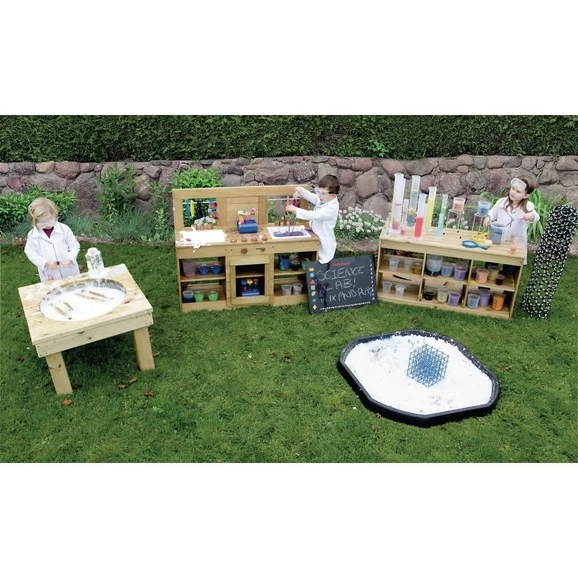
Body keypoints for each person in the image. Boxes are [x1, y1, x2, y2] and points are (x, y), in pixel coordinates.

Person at [286, 175, 340, 264]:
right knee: (311, 258)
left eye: (323, 193)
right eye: (318, 192)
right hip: (315, 234)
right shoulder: (324, 199)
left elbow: (314, 215)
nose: (319, 195)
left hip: (324, 240)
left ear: (333, 195)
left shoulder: (331, 208)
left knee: (321, 262)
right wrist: (300, 190)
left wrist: (296, 210)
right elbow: (312, 197)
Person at [483, 176, 539, 261]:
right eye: (513, 188)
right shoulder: (502, 202)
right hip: (499, 237)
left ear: (525, 195)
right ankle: (491, 268)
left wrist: (531, 216)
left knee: (512, 263)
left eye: (518, 191)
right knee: (493, 259)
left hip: (515, 241)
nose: (513, 192)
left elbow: (536, 217)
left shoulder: (528, 206)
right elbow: (492, 212)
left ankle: (510, 269)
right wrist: (488, 217)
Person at [24, 198, 81, 282]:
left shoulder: (64, 229)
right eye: (43, 222)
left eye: (51, 220)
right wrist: (46, 263)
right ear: (35, 221)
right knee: (54, 289)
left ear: (55, 215)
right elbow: (31, 253)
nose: (48, 225)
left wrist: (69, 259)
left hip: (69, 270)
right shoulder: (33, 235)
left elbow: (74, 246)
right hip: (49, 274)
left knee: (73, 287)